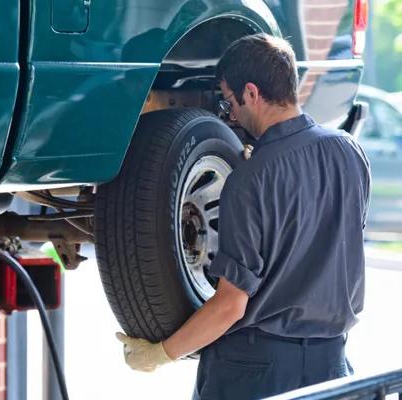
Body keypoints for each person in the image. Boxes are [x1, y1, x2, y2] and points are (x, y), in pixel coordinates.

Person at [116, 33, 371, 400]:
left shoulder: (250, 180)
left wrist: (160, 353)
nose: (230, 113)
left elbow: (230, 307)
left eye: (229, 101)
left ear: (251, 93)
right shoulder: (350, 153)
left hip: (257, 371)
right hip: (332, 363)